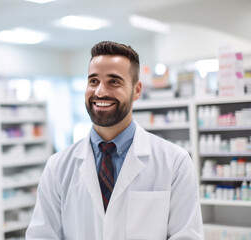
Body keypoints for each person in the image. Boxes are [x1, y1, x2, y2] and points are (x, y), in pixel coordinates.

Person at [26, 41, 204, 240]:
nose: (100, 92)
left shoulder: (175, 162)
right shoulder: (58, 166)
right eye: (93, 81)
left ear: (137, 91)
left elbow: (186, 236)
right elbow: (41, 235)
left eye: (114, 82)